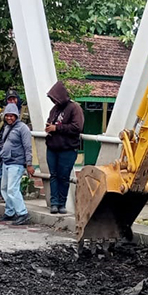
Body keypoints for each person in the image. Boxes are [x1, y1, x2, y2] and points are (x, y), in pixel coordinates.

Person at [44, 81, 84, 214]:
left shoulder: (74, 108)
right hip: (52, 147)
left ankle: (62, 203)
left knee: (63, 176)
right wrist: (49, 128)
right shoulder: (54, 110)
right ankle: (54, 203)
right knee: (53, 175)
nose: (53, 101)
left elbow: (77, 127)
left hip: (67, 148)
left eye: (54, 98)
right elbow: (51, 122)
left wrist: (57, 128)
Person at [0, 102, 33, 225]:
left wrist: (29, 164)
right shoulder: (7, 127)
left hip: (17, 163)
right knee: (4, 188)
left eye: (12, 116)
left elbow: (28, 147)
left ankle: (22, 213)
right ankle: (10, 212)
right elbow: (4, 146)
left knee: (12, 189)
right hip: (6, 162)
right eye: (7, 115)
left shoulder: (23, 128)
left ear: (16, 116)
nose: (9, 118)